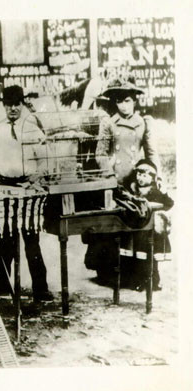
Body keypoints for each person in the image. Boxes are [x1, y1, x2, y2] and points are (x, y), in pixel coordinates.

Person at [85, 77, 162, 281]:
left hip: (137, 182)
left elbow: (151, 152)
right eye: (119, 101)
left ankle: (141, 275)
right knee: (113, 228)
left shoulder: (143, 123)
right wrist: (109, 175)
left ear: (134, 101)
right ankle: (111, 274)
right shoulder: (108, 123)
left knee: (140, 226)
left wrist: (157, 175)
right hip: (115, 182)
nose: (123, 105)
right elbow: (100, 154)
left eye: (127, 100)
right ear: (115, 103)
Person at [0, 85, 53, 302]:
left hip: (27, 190)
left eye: (17, 104)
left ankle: (40, 288)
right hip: (4, 189)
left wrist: (35, 180)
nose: (13, 109)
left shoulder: (33, 130)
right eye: (9, 104)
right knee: (5, 238)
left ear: (22, 104)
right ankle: (2, 283)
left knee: (31, 240)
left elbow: (45, 159)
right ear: (3, 106)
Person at [122, 159, 174, 291]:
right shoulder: (133, 191)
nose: (140, 178)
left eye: (144, 175)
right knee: (137, 258)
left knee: (150, 259)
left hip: (150, 232)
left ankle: (153, 282)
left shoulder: (155, 191)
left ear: (152, 178)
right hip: (137, 231)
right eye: (139, 174)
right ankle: (137, 282)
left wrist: (162, 197)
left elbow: (169, 203)